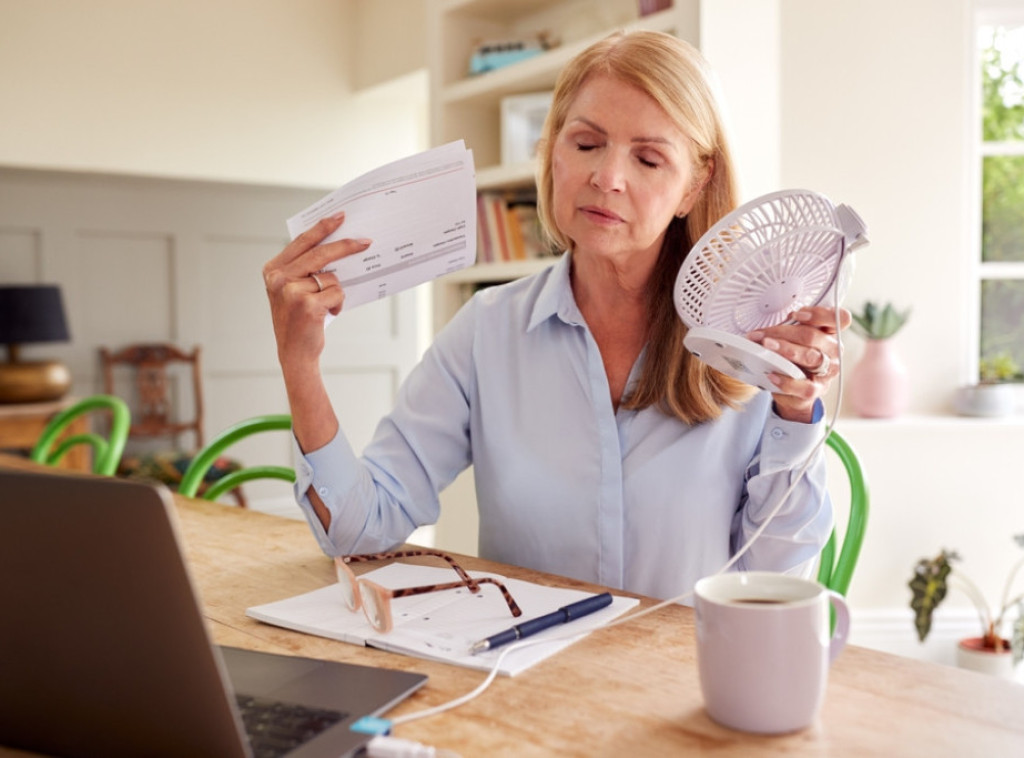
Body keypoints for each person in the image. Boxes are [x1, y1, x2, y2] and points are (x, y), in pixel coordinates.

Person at [262, 30, 849, 601]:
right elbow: (360, 530)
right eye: (586, 144)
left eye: (647, 158)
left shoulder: (745, 342)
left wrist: (795, 414)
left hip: (686, 681)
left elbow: (776, 575)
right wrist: (300, 361)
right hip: (529, 682)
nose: (606, 178)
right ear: (553, 152)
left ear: (696, 186)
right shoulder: (486, 331)